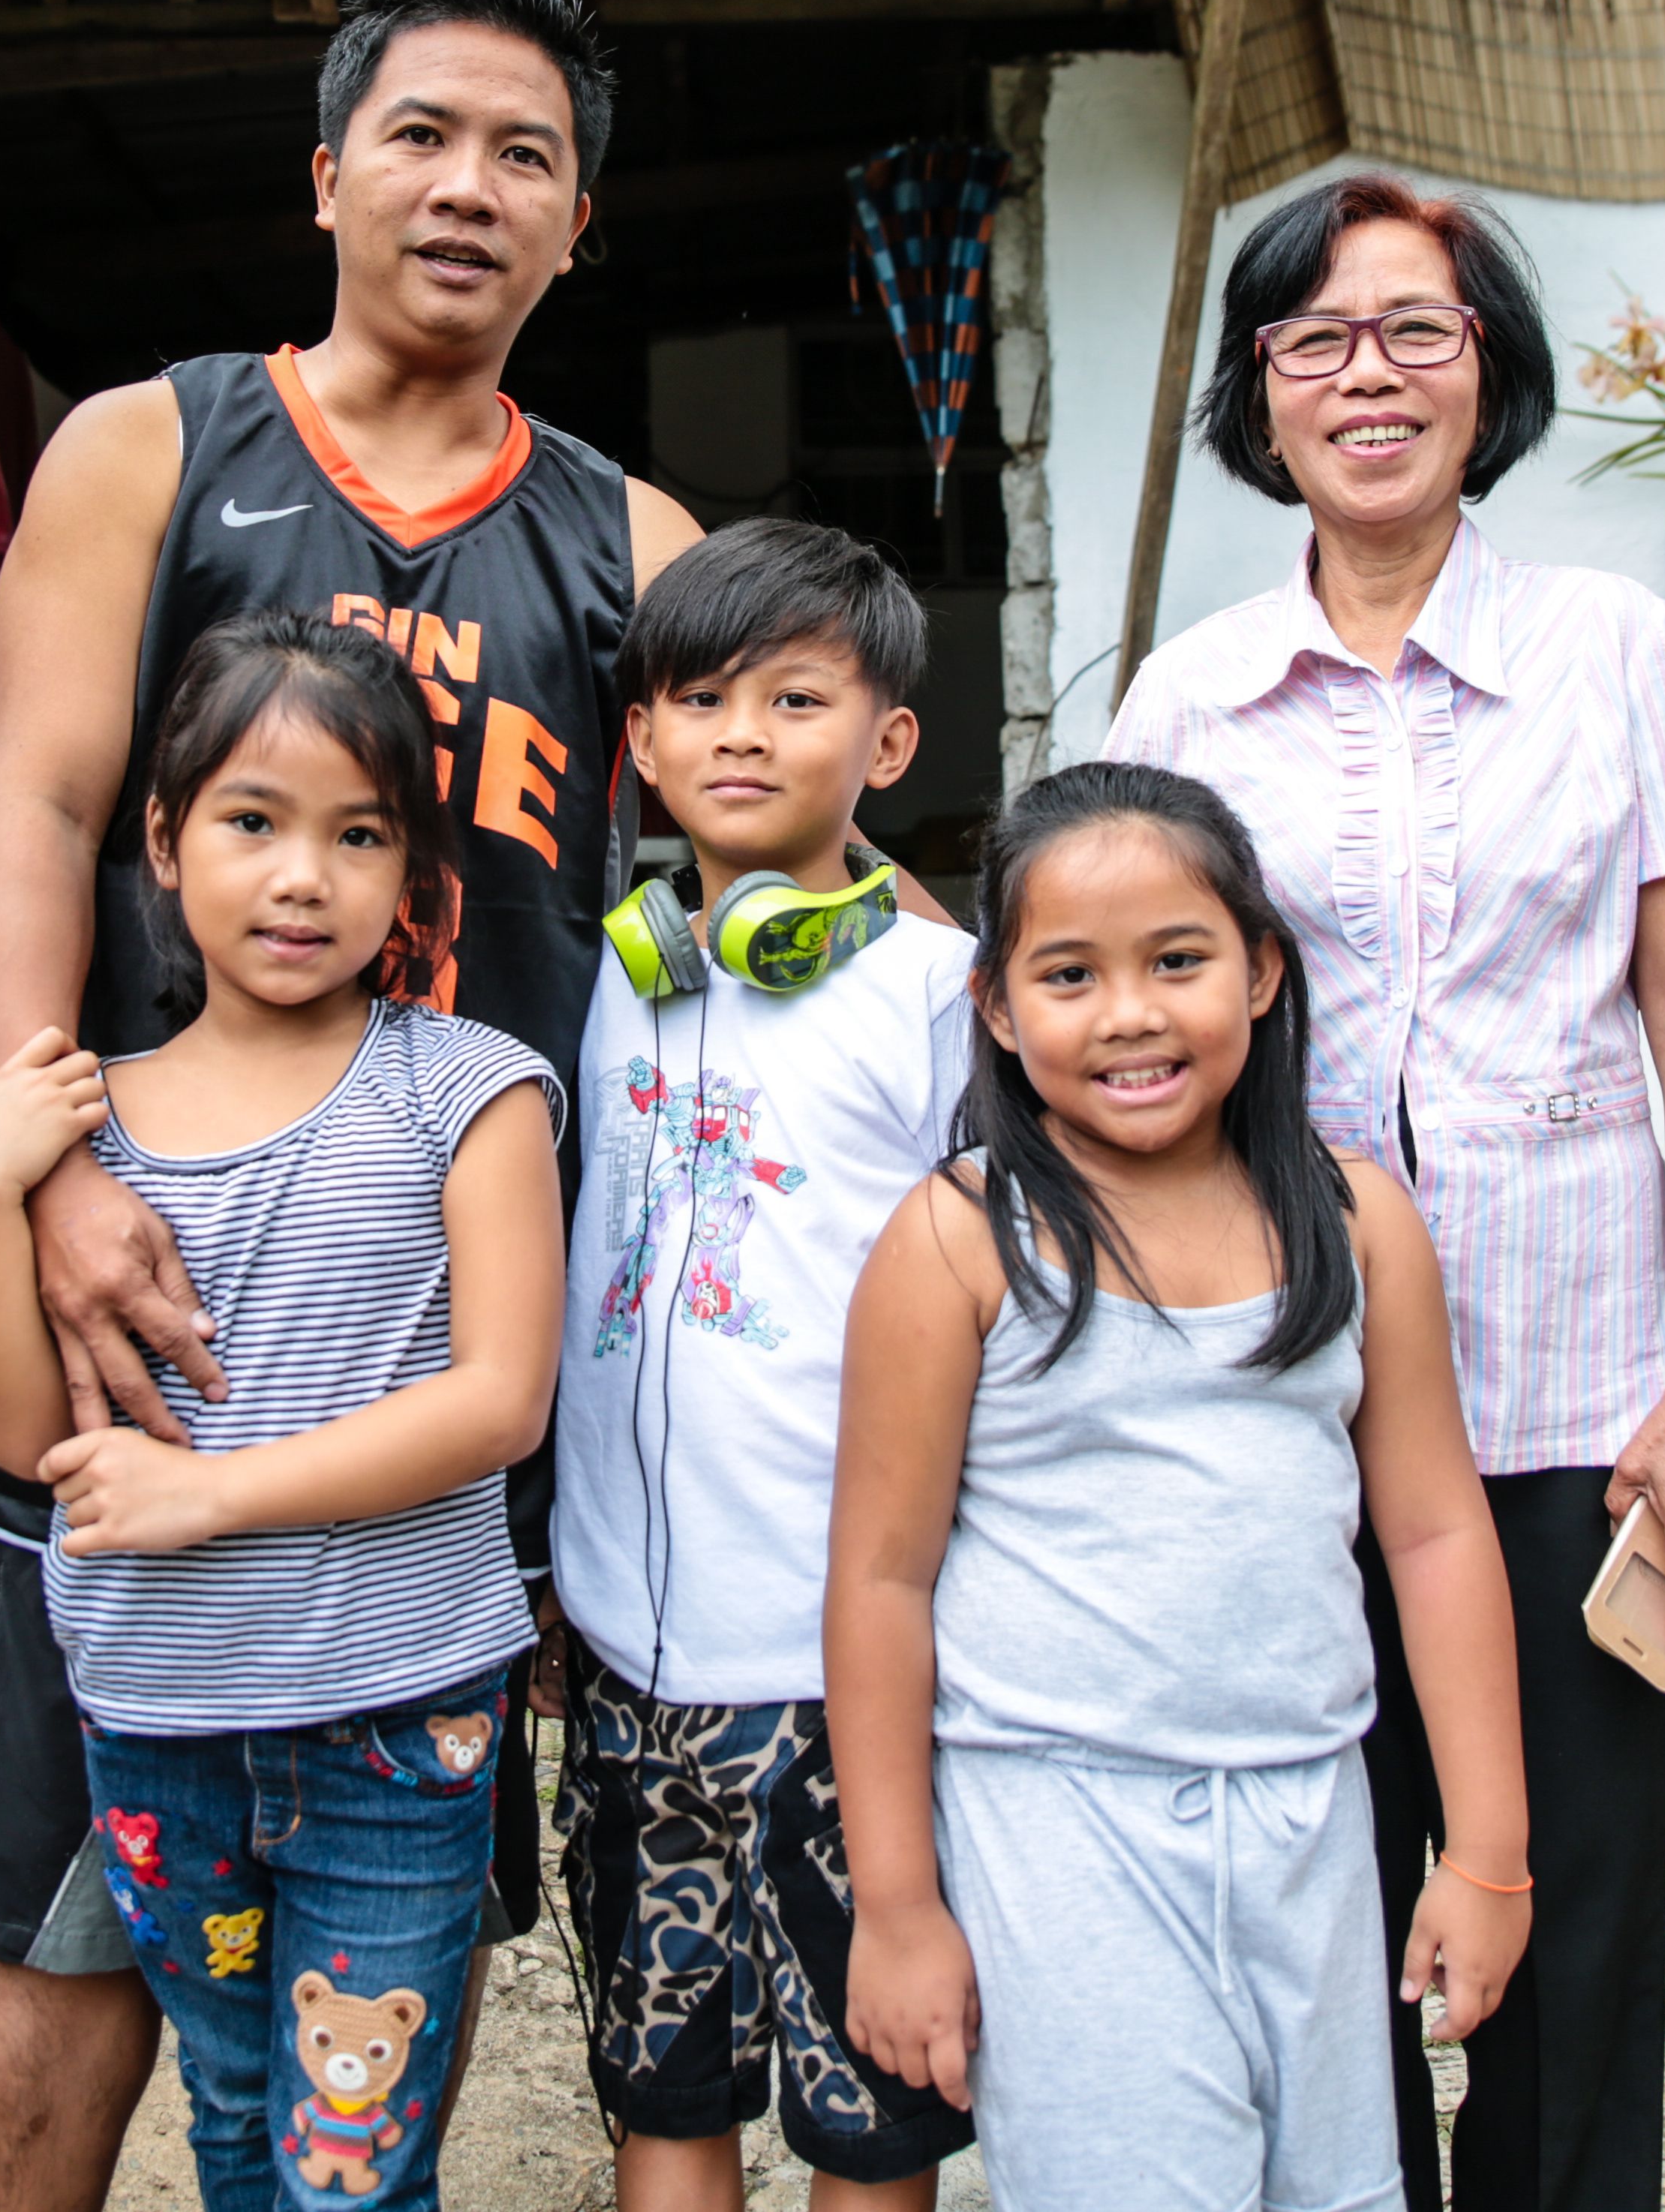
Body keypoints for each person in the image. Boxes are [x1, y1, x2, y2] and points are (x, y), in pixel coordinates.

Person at [0, 0, 704, 2212]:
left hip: (451, 1319)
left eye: (528, 158)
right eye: (424, 135)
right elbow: (31, 821)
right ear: (326, 176)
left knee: (382, 1933)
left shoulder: (634, 543)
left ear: (580, 227)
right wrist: (52, 1169)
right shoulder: (149, 449)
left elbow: (769, 871)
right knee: (75, 1901)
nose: (469, 189)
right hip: (163, 1279)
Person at [1106, 172, 1665, 2212]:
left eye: (1417, 328)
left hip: (1582, 1412)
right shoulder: (1189, 698)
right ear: (1263, 397)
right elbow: (1129, 1051)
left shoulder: (1609, 647)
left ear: (1486, 368)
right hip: (1292, 1414)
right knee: (1326, 1946)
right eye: (1315, 339)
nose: (1367, 375)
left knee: (1567, 1943)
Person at [824, 761, 1535, 2210]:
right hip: (1059, 1829)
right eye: (1071, 974)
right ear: (1000, 1011)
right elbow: (880, 1583)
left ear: (1264, 973)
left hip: (1314, 1820)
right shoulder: (959, 1242)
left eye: (1179, 960)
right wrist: (897, 1909)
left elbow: (1436, 1528)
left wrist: (1491, 1853)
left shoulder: (1356, 1221)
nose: (1133, 1014)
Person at [0, 609, 566, 2212]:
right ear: (160, 842)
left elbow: (501, 1400)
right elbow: (27, 1434)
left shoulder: (469, 1092)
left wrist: (208, 1496)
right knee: (234, 2121)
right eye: (252, 821)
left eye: (359, 836)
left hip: (398, 1723)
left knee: (348, 2163)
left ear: (415, 877)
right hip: (159, 1730)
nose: (304, 878)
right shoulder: (89, 1129)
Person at [548, 518, 981, 2212]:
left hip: (831, 1665)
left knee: (864, 2097)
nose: (740, 734)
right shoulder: (616, 976)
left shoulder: (942, 992)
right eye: (701, 697)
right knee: (666, 2088)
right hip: (623, 1654)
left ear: (884, 748)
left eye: (795, 699)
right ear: (638, 743)